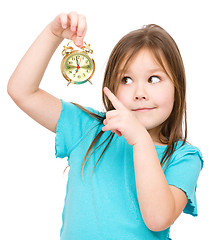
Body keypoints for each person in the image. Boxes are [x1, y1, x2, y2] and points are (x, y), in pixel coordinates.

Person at [7, 11, 203, 240]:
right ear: (111, 86)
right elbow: (22, 91)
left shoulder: (184, 157)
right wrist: (53, 34)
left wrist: (140, 139)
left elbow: (158, 219)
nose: (140, 93)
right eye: (126, 80)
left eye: (154, 79)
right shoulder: (89, 128)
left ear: (177, 86)